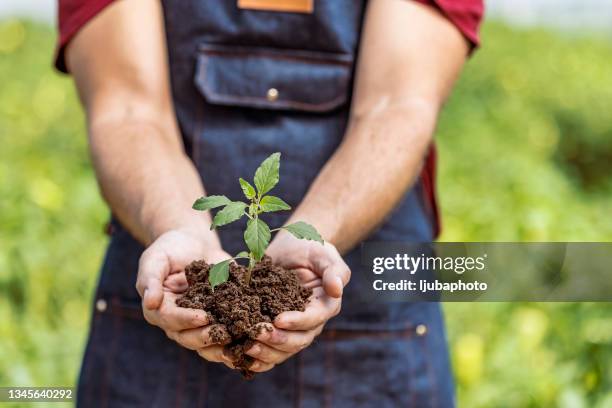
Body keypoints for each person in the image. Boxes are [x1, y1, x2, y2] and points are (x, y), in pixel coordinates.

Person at [56, 0, 483, 406]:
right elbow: (128, 109)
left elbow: (399, 104)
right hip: (168, 306)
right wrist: (180, 227)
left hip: (374, 322)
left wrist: (318, 233)